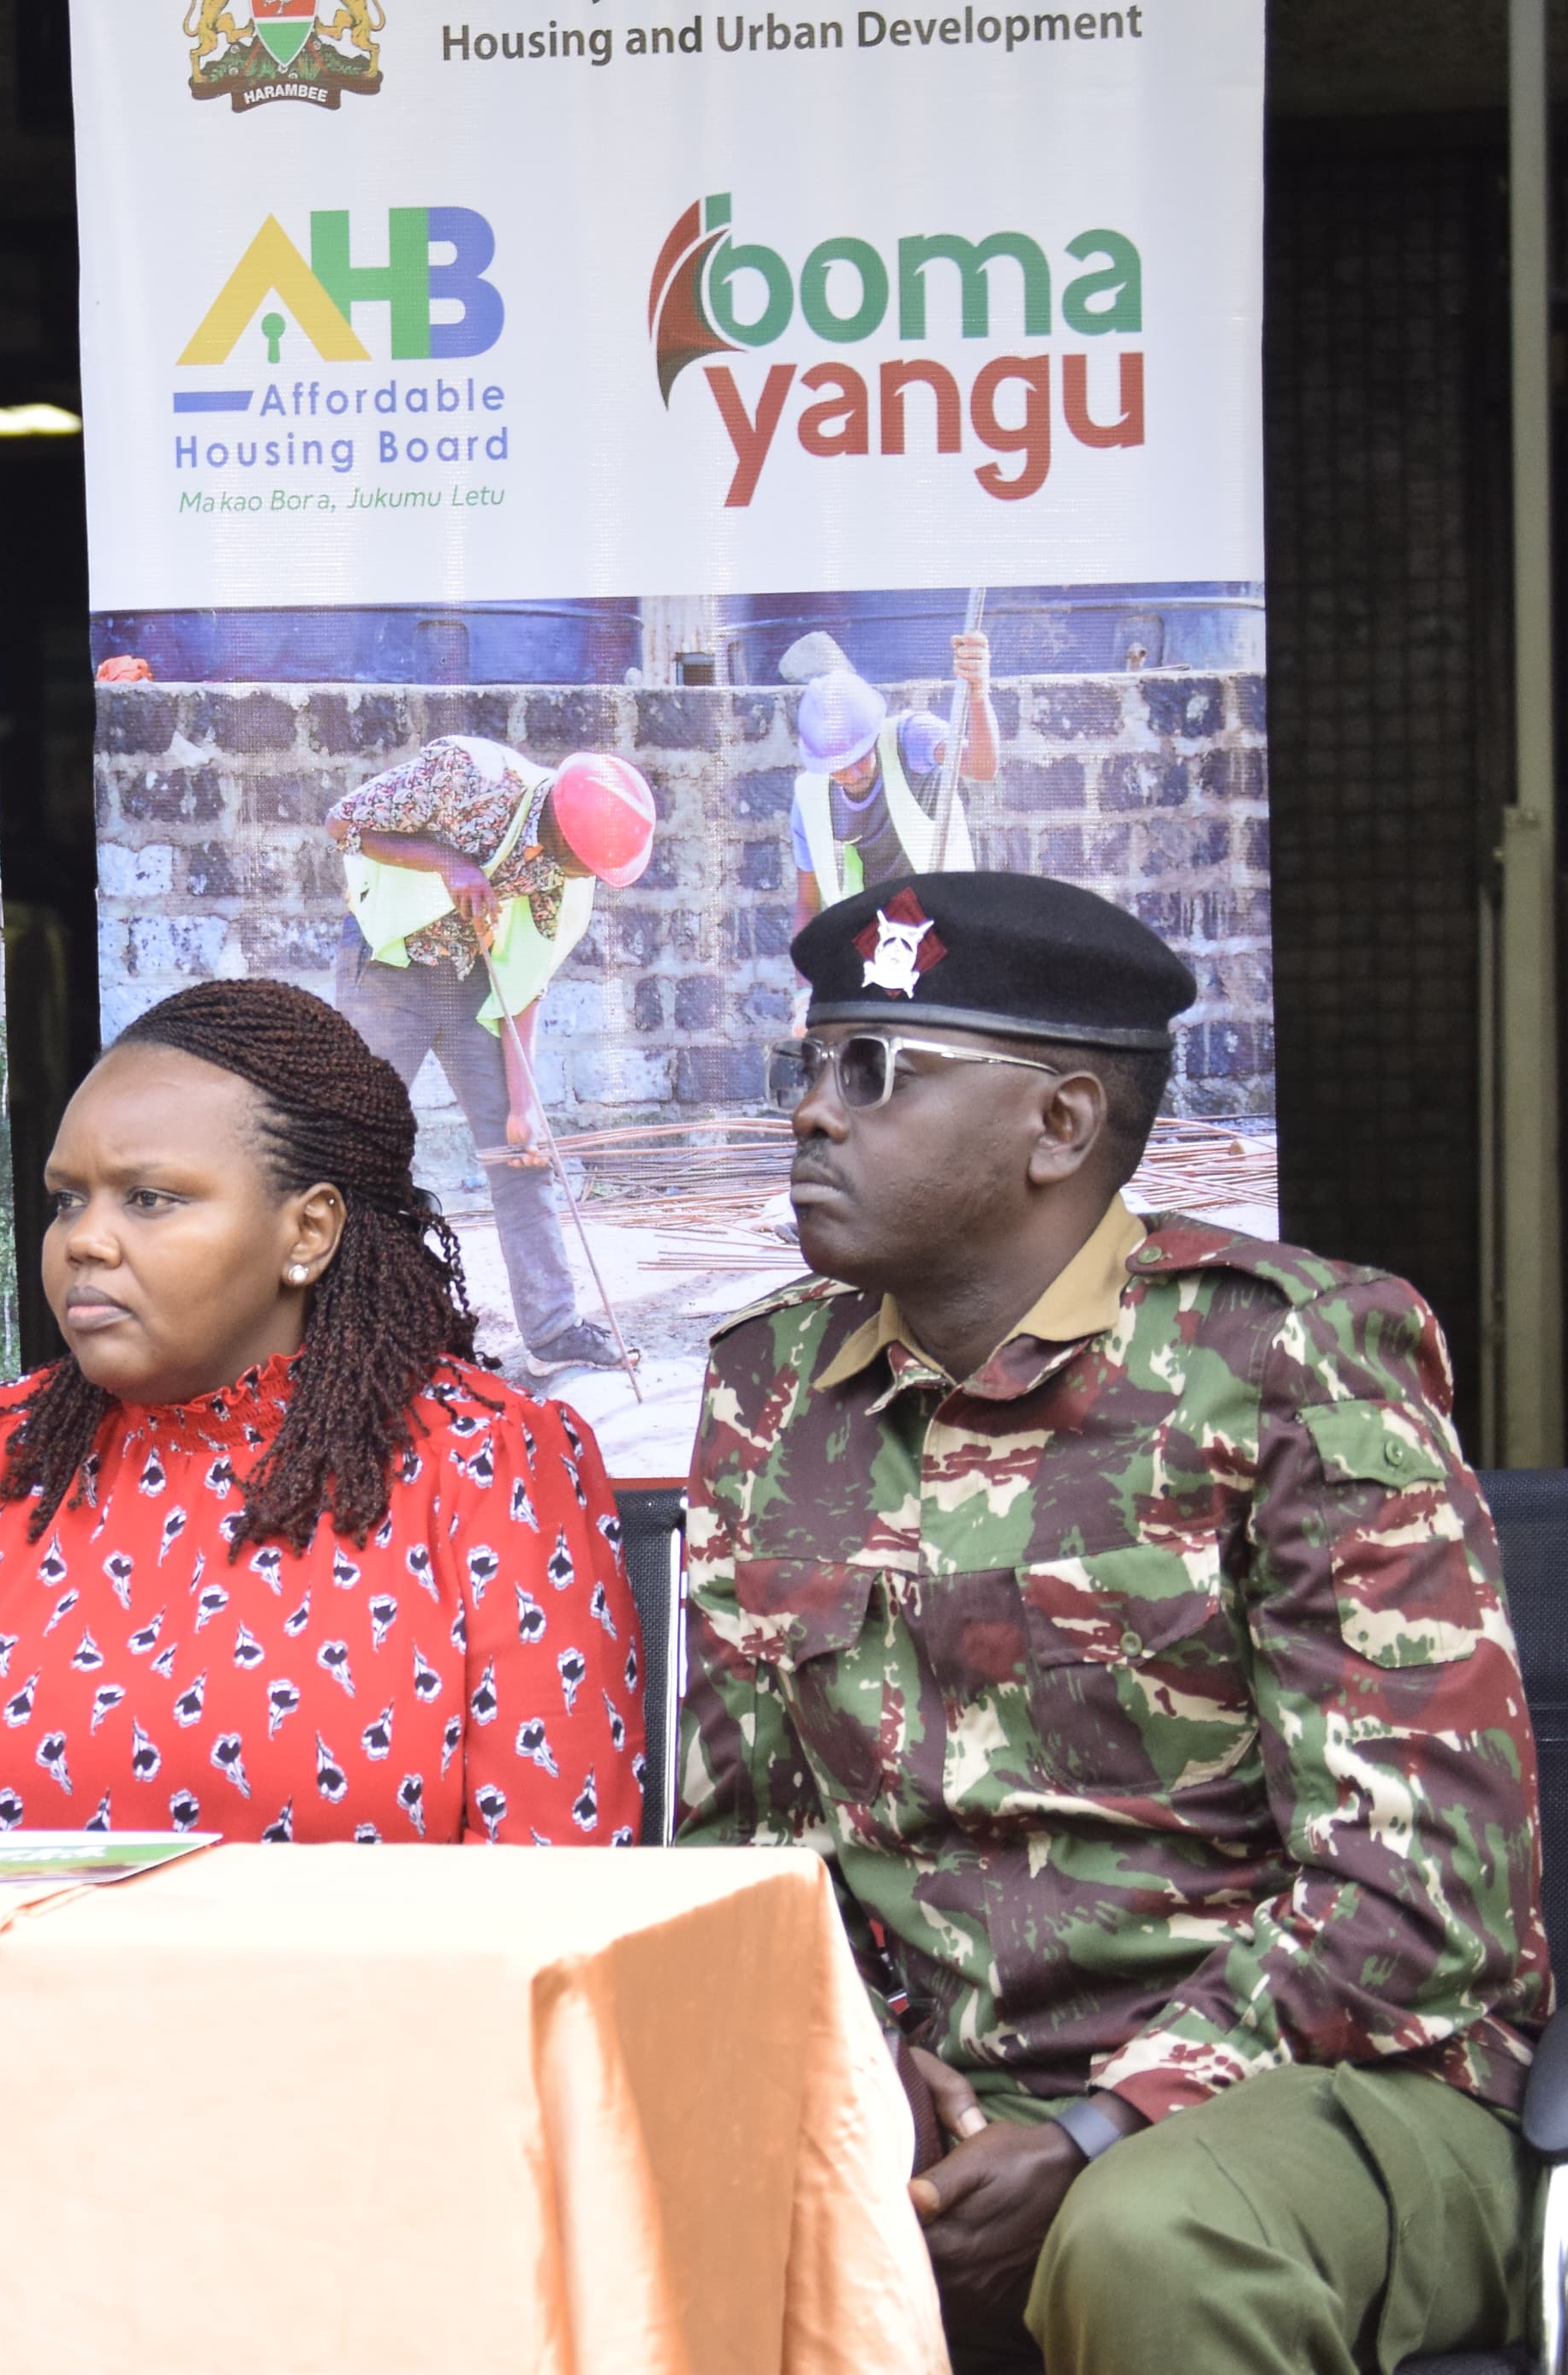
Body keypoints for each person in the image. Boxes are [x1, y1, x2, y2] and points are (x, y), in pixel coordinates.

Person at [675, 872, 1546, 2375]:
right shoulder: (770, 1386)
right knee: (593, 2184)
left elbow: (1422, 1892)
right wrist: (862, 2068)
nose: (814, 1112)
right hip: (942, 2088)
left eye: (874, 1072)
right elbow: (747, 1844)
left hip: (1319, 2087)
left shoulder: (1284, 1355)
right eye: (808, 1067)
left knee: (1147, 2237)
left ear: (1062, 1125)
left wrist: (1100, 2124)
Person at [0, 978, 641, 1845]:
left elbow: (555, 1901)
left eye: (148, 1198)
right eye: (66, 1199)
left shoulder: (486, 1462)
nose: (84, 1240)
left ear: (307, 1232)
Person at [323, 733, 657, 1375]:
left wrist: (523, 1110)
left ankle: (555, 1329)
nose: (586, 878)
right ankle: (341, 1336)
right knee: (355, 1151)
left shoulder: (569, 882)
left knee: (521, 1157)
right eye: (585, 863)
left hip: (475, 984)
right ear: (562, 830)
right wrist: (448, 862)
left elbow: (525, 980)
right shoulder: (467, 774)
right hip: (391, 964)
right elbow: (343, 823)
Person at [784, 629, 997, 921]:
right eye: (839, 767)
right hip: (878, 938)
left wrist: (977, 695)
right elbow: (807, 906)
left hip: (948, 921)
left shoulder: (911, 738)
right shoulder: (811, 800)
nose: (853, 773)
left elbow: (983, 767)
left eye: (859, 756)